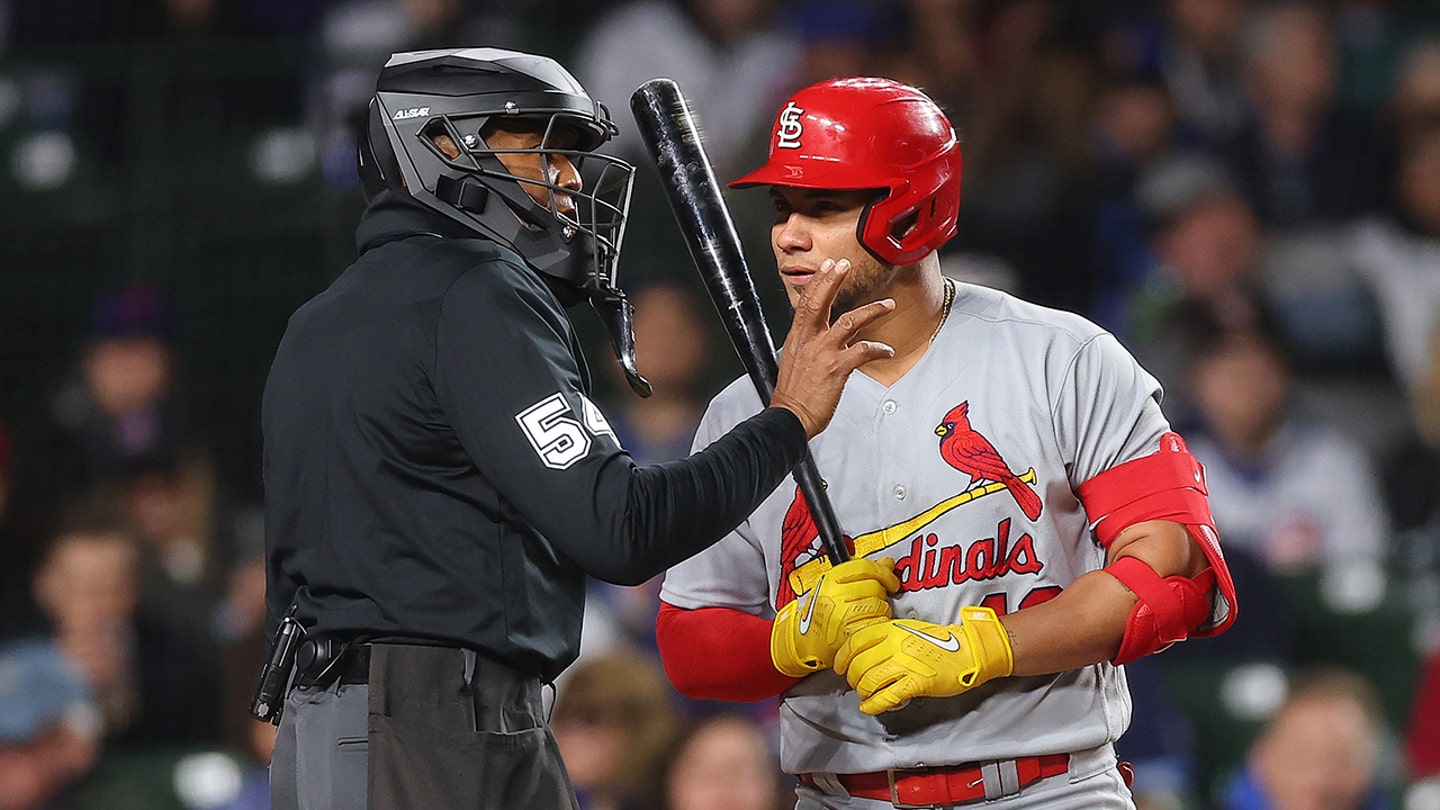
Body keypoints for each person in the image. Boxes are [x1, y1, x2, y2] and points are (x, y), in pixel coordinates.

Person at [262, 47, 896, 810]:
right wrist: (787, 419)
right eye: (544, 146)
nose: (568, 178)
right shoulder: (474, 291)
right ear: (438, 145)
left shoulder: (316, 320)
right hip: (433, 731)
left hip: (331, 724)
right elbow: (621, 528)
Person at [656, 76, 1239, 809]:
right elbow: (687, 640)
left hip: (1049, 790)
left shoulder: (1063, 358)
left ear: (910, 210)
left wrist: (986, 648)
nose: (787, 235)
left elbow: (1171, 577)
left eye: (824, 206)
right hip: (845, 794)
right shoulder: (747, 410)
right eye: (782, 207)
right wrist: (793, 640)